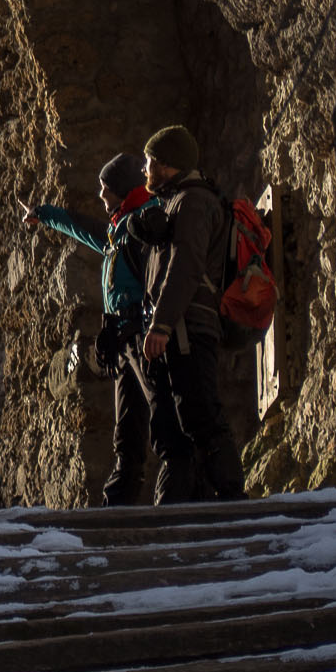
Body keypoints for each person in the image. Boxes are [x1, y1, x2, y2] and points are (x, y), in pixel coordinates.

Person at [25, 154, 193, 506]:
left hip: (143, 336)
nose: (101, 196)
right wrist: (43, 214)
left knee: (163, 415)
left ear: (120, 189)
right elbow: (82, 228)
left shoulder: (140, 226)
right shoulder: (119, 232)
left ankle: (178, 497)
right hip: (123, 340)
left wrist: (155, 326)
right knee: (128, 429)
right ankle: (118, 503)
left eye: (105, 189)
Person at [130, 124, 246, 501]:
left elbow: (185, 266)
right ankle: (181, 506)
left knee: (201, 416)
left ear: (167, 164)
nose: (145, 170)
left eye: (149, 162)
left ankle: (231, 500)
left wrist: (162, 323)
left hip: (187, 330)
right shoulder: (175, 201)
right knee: (172, 426)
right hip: (175, 330)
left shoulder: (193, 202)